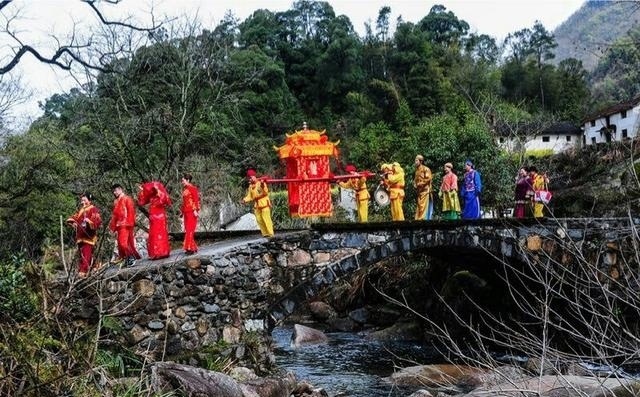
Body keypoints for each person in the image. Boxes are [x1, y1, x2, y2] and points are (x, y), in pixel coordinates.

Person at [66, 192, 102, 278]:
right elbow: (75, 218)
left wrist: (89, 221)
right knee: (82, 254)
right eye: (82, 199)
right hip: (80, 236)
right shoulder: (81, 210)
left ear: (89, 199)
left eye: (84, 198)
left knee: (86, 253)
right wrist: (73, 223)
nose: (82, 200)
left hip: (88, 236)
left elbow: (97, 221)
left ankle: (84, 271)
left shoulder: (93, 209)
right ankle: (90, 267)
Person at [137, 181, 172, 260]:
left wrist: (158, 190)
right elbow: (142, 202)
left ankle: (162, 252)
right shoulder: (151, 197)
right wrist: (142, 191)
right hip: (153, 217)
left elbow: (163, 200)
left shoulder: (161, 196)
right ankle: (156, 252)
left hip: (160, 217)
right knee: (154, 234)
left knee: (160, 234)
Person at [109, 184, 140, 266]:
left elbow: (131, 211)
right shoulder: (115, 202)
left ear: (120, 189)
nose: (114, 192)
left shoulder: (127, 198)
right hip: (119, 225)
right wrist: (113, 226)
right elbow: (114, 215)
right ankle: (127, 258)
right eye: (113, 191)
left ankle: (131, 257)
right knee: (120, 244)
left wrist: (130, 223)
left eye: (115, 190)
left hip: (126, 223)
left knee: (123, 243)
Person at [242, 169, 274, 237]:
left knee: (266, 219)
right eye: (249, 178)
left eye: (251, 177)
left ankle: (270, 233)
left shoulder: (260, 183)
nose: (250, 179)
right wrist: (245, 200)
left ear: (254, 176)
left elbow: (265, 192)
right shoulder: (251, 186)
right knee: (259, 220)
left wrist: (262, 185)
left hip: (264, 203)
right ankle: (265, 233)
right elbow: (249, 196)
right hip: (257, 205)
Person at [181, 173, 200, 255]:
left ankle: (189, 248)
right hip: (186, 212)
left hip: (192, 211)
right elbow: (184, 203)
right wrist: (182, 212)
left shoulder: (193, 188)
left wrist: (196, 210)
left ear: (188, 180)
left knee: (190, 230)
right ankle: (192, 247)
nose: (182, 182)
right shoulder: (185, 189)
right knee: (187, 229)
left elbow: (196, 200)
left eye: (183, 180)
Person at [413, 154, 433, 220]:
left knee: (423, 206)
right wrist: (415, 184)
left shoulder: (425, 169)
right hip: (419, 191)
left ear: (420, 161)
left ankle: (423, 218)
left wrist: (420, 183)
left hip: (425, 190)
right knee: (419, 205)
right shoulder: (417, 171)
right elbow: (415, 180)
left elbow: (428, 178)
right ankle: (419, 218)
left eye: (416, 161)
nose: (415, 162)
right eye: (415, 161)